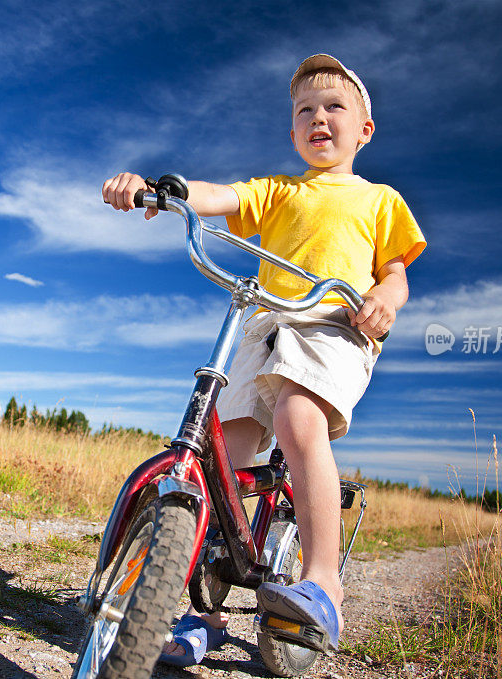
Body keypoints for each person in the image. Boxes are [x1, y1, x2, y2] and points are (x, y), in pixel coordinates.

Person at [102, 53, 426, 667]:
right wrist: (162, 189)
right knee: (227, 452)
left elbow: (396, 272)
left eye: (334, 107)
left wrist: (385, 297)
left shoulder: (380, 199)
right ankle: (204, 610)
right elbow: (219, 196)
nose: (318, 118)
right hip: (264, 320)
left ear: (365, 130)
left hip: (334, 322)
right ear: (293, 130)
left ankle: (322, 581)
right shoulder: (279, 192)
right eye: (304, 110)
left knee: (299, 421)